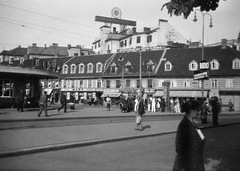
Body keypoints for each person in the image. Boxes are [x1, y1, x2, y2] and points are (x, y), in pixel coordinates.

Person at [173, 99, 205, 171]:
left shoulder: (193, 123)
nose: (199, 112)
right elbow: (179, 149)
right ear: (191, 110)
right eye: (197, 110)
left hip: (197, 164)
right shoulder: (184, 125)